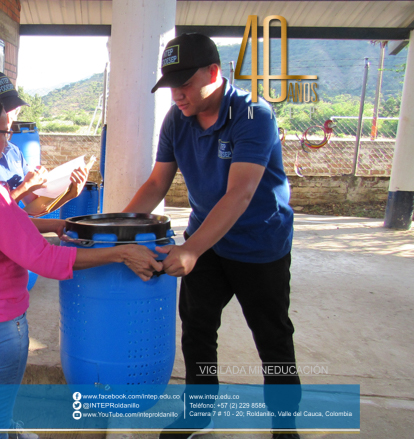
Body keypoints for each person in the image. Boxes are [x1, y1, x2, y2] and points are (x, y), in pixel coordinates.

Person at [0, 91, 162, 439]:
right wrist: (120, 253)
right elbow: (44, 259)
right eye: (5, 131)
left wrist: (53, 224)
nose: (9, 140)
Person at [122, 34, 301, 439]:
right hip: (209, 240)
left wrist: (190, 249)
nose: (177, 95)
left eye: (184, 84)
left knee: (272, 337)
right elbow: (156, 182)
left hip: (261, 244)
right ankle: (199, 413)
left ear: (214, 73)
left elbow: (241, 193)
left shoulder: (254, 115)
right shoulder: (176, 120)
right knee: (198, 328)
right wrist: (121, 232)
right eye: (171, 86)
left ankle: (285, 425)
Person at [0, 71, 88, 212]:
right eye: (2, 111)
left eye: (13, 111)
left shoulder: (14, 153)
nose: (8, 119)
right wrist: (25, 187)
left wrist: (69, 194)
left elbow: (34, 208)